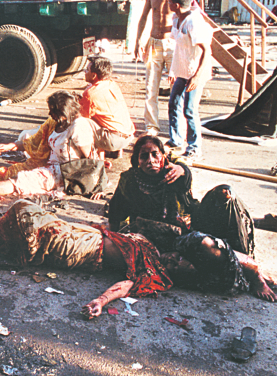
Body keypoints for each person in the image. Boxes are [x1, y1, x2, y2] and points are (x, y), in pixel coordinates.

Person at [0, 200, 172, 319]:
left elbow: (126, 285)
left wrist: (101, 300)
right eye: (179, 255)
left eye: (180, 262)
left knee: (23, 212)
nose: (176, 259)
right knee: (25, 221)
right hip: (83, 233)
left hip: (83, 250)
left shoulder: (155, 268)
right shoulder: (146, 241)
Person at [107, 135, 255, 258]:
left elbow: (185, 178)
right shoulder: (130, 179)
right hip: (153, 236)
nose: (150, 161)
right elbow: (116, 211)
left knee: (225, 194)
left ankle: (244, 257)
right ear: (137, 161)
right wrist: (111, 238)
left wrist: (182, 169)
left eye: (155, 154)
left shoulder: (174, 172)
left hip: (187, 228)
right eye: (144, 157)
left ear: (163, 157)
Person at [0, 90, 99, 197]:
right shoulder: (55, 122)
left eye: (52, 111)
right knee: (10, 171)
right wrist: (12, 146)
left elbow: (92, 160)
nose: (49, 114)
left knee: (21, 181)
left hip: (64, 174)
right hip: (49, 166)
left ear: (63, 112)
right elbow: (34, 142)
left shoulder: (79, 126)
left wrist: (98, 186)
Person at [166, 0, 214, 162]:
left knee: (189, 110)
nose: (168, 5)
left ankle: (194, 148)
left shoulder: (194, 21)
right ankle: (176, 140)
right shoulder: (176, 18)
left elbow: (206, 51)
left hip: (195, 72)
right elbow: (178, 48)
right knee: (174, 104)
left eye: (169, 2)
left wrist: (197, 76)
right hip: (182, 71)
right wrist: (173, 70)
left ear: (176, 4)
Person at [162, 232, 276, 302]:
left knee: (205, 245)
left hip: (201, 243)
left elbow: (248, 262)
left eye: (178, 258)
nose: (170, 259)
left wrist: (259, 282)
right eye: (173, 265)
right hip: (220, 277)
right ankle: (256, 275)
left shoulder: (191, 244)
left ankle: (258, 277)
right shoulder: (219, 279)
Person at [134, 0, 178, 136]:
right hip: (154, 43)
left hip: (173, 44)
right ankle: (151, 127)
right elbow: (143, 17)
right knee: (151, 87)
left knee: (176, 88)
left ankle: (177, 130)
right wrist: (138, 41)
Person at [79, 56, 135, 158]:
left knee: (79, 123)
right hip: (128, 137)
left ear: (94, 75)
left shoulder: (90, 93)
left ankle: (96, 158)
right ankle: (118, 151)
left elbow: (84, 117)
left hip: (113, 140)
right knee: (104, 116)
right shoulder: (112, 84)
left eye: (87, 70)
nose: (85, 71)